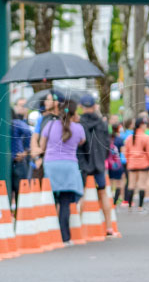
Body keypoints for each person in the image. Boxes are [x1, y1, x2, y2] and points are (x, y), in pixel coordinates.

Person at [36, 96, 86, 243]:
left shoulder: (49, 126)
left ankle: (50, 235)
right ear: (74, 113)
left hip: (51, 165)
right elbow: (82, 141)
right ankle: (65, 237)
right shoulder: (78, 128)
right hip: (69, 166)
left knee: (51, 201)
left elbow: (42, 146)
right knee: (65, 203)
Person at [76, 95, 112, 224]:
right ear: (94, 106)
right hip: (99, 163)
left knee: (81, 195)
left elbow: (79, 145)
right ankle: (108, 226)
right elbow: (107, 144)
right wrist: (102, 158)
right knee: (103, 193)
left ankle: (78, 226)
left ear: (81, 106)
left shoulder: (79, 124)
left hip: (84, 163)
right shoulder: (102, 123)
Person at [123, 116, 149, 213]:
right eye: (145, 124)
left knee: (131, 185)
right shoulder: (146, 137)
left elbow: (126, 152)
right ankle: (140, 207)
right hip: (143, 164)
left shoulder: (129, 138)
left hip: (132, 164)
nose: (146, 126)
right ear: (141, 125)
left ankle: (129, 206)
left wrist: (129, 162)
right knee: (142, 184)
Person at [11, 100, 33, 212]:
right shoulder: (17, 122)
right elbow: (28, 132)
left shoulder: (15, 123)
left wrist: (25, 151)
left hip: (16, 161)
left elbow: (28, 132)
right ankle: (19, 214)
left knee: (19, 190)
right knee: (20, 191)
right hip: (17, 160)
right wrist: (26, 151)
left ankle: (18, 214)